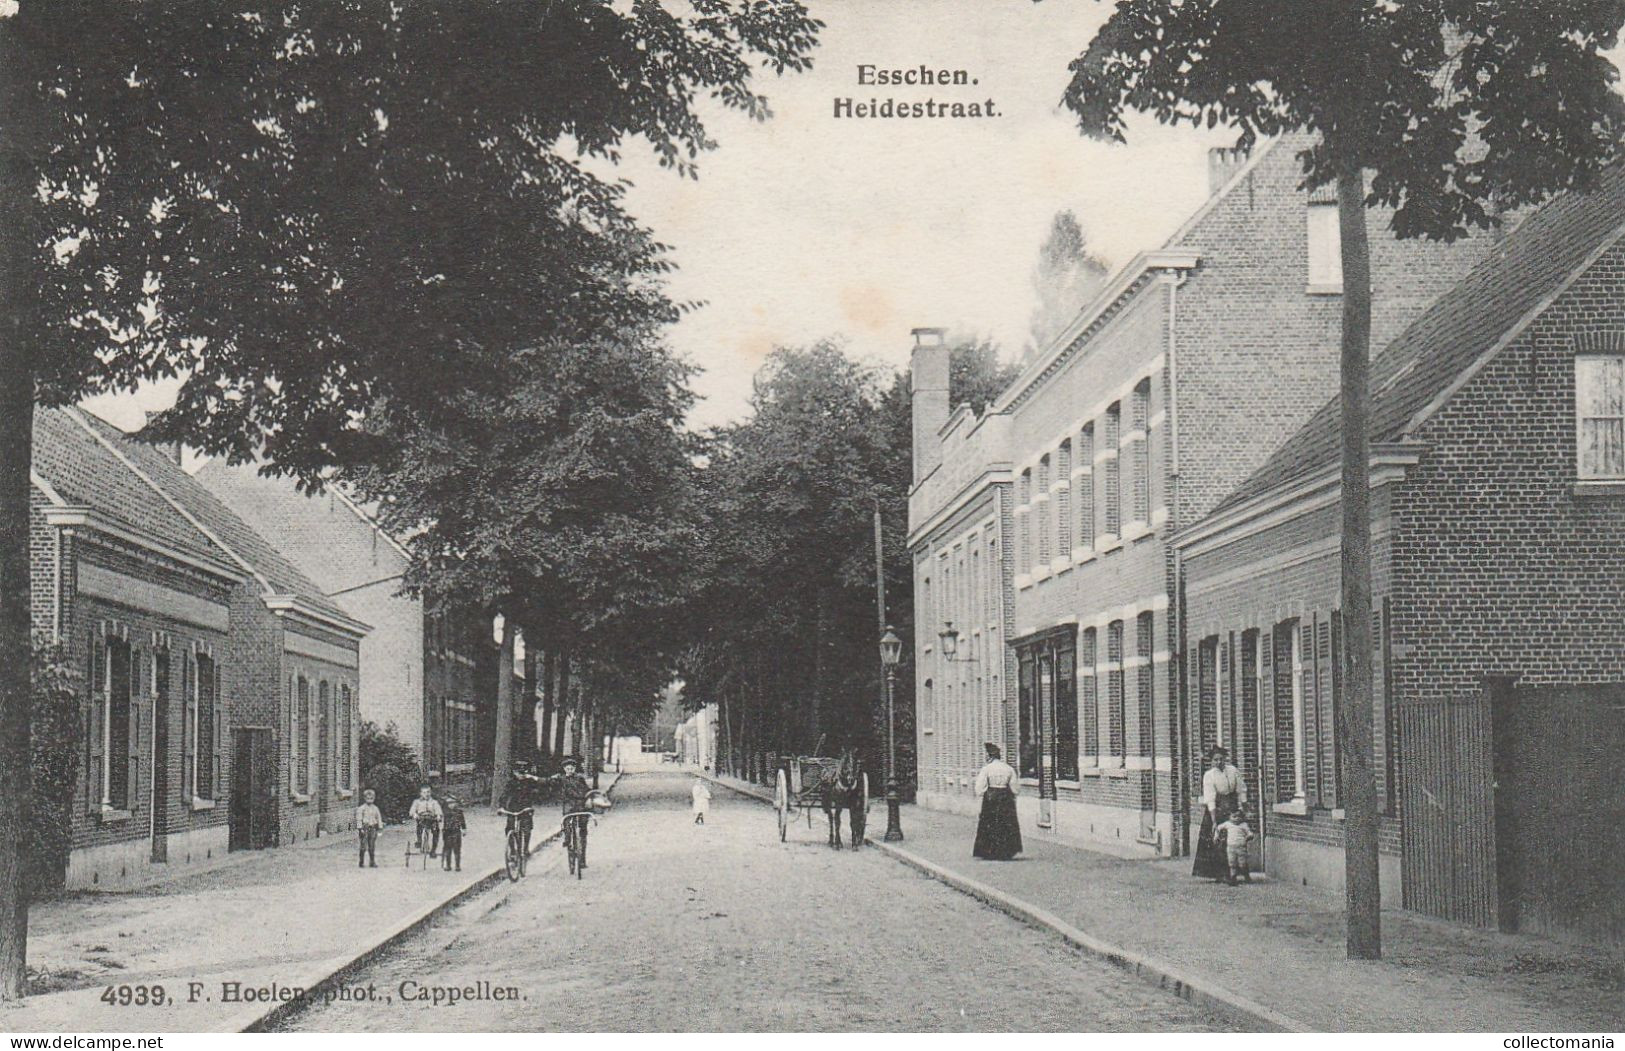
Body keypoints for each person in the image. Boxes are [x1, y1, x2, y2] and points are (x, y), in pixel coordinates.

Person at [1194, 747, 1246, 881]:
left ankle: (1237, 871)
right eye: (1215, 760)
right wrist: (1214, 820)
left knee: (1235, 838)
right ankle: (1221, 873)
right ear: (1211, 762)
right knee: (1218, 841)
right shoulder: (1209, 775)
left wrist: (1242, 808)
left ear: (1225, 759)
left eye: (1221, 759)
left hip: (1232, 807)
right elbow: (1210, 798)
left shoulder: (1233, 771)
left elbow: (1240, 790)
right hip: (1217, 808)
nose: (1219, 762)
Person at [972, 742, 1022, 860]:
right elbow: (1015, 788)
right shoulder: (1008, 769)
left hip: (991, 799)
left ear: (990, 756)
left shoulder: (987, 769)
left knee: (990, 823)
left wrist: (983, 793)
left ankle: (990, 850)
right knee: (1006, 824)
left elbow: (979, 788)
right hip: (1005, 799)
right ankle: (1006, 850)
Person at [556, 755, 592, 869]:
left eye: (572, 768)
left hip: (580, 805)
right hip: (569, 805)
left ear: (575, 769)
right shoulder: (560, 779)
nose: (570, 770)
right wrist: (534, 778)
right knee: (566, 822)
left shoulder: (580, 779)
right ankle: (567, 839)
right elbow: (547, 781)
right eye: (567, 768)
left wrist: (589, 798)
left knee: (582, 832)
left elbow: (587, 790)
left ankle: (582, 860)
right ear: (564, 769)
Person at [497, 767, 536, 856]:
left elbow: (533, 795)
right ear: (514, 772)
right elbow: (504, 795)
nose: (520, 776)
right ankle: (512, 850)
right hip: (513, 808)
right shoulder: (511, 783)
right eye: (519, 773)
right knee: (509, 829)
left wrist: (530, 807)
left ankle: (525, 848)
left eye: (523, 773)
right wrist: (501, 807)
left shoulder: (528, 782)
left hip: (525, 808)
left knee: (527, 829)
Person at [1216, 805, 1254, 885]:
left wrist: (1249, 836)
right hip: (1230, 847)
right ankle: (1233, 878)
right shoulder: (1228, 824)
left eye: (1239, 817)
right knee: (1232, 863)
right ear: (1230, 817)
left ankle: (1246, 876)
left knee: (1242, 863)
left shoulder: (1243, 825)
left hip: (1241, 847)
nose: (1237, 818)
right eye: (1234, 816)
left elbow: (1249, 832)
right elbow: (1218, 828)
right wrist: (1216, 835)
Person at [408, 784, 443, 857]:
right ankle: (419, 840)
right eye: (424, 792)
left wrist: (439, 815)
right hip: (421, 818)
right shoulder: (416, 802)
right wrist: (414, 814)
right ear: (420, 793)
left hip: (432, 819)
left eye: (428, 792)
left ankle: (433, 850)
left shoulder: (434, 802)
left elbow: (438, 810)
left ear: (430, 793)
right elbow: (412, 811)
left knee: (436, 831)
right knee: (419, 828)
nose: (426, 794)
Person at [356, 788, 383, 868]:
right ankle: (361, 862)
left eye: (371, 798)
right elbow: (359, 818)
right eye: (368, 798)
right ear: (364, 798)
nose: (369, 800)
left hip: (373, 828)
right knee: (363, 846)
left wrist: (380, 827)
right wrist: (360, 828)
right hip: (365, 828)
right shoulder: (361, 808)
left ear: (374, 798)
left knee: (372, 845)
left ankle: (372, 862)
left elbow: (379, 818)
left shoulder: (375, 808)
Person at [440, 792, 467, 872]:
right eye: (449, 803)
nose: (451, 805)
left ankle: (457, 866)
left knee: (457, 849)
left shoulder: (459, 812)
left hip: (456, 832)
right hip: (447, 832)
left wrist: (464, 829)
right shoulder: (445, 812)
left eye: (453, 803)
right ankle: (448, 865)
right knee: (447, 849)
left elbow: (462, 821)